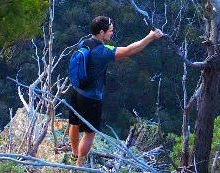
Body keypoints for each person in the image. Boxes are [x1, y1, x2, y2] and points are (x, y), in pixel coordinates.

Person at [68, 16, 163, 165]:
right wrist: (150, 37)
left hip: (76, 91)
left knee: (74, 124)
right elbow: (129, 51)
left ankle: (74, 154)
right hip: (91, 98)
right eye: (110, 31)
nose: (112, 33)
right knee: (89, 134)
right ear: (101, 32)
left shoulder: (84, 43)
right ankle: (79, 165)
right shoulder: (102, 51)